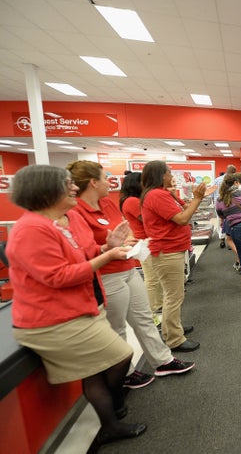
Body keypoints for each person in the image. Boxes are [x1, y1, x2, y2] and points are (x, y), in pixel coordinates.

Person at [7, 165, 146, 446]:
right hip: (55, 320)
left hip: (76, 311)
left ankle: (109, 422)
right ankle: (114, 409)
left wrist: (106, 247)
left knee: (96, 369)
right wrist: (106, 258)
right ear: (46, 190)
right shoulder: (31, 230)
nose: (74, 188)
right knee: (120, 357)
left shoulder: (58, 221)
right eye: (68, 184)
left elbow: (81, 254)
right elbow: (58, 276)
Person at [69, 161, 195, 389]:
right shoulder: (76, 211)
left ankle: (163, 360)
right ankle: (125, 373)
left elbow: (122, 230)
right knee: (117, 326)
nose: (110, 182)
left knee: (144, 318)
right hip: (106, 274)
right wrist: (108, 248)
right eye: (105, 178)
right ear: (93, 182)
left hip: (127, 267)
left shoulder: (107, 203)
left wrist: (126, 241)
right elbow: (85, 249)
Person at [141, 160, 213, 352]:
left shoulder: (163, 194)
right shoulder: (156, 195)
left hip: (172, 250)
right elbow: (182, 219)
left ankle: (174, 327)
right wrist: (197, 198)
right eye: (169, 172)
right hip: (167, 251)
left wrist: (188, 198)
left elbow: (183, 210)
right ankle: (174, 339)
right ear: (160, 175)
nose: (172, 175)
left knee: (175, 294)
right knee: (173, 296)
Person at [120, 172, 164, 318]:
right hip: (144, 242)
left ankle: (158, 304)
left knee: (154, 276)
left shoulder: (131, 200)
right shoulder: (132, 201)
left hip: (147, 241)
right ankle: (153, 309)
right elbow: (146, 218)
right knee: (152, 278)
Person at [212, 164, 236, 248]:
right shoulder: (233, 180)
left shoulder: (217, 179)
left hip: (218, 202)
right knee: (231, 219)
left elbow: (213, 191)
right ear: (233, 172)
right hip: (230, 202)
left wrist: (214, 201)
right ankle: (230, 238)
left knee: (220, 220)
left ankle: (222, 239)